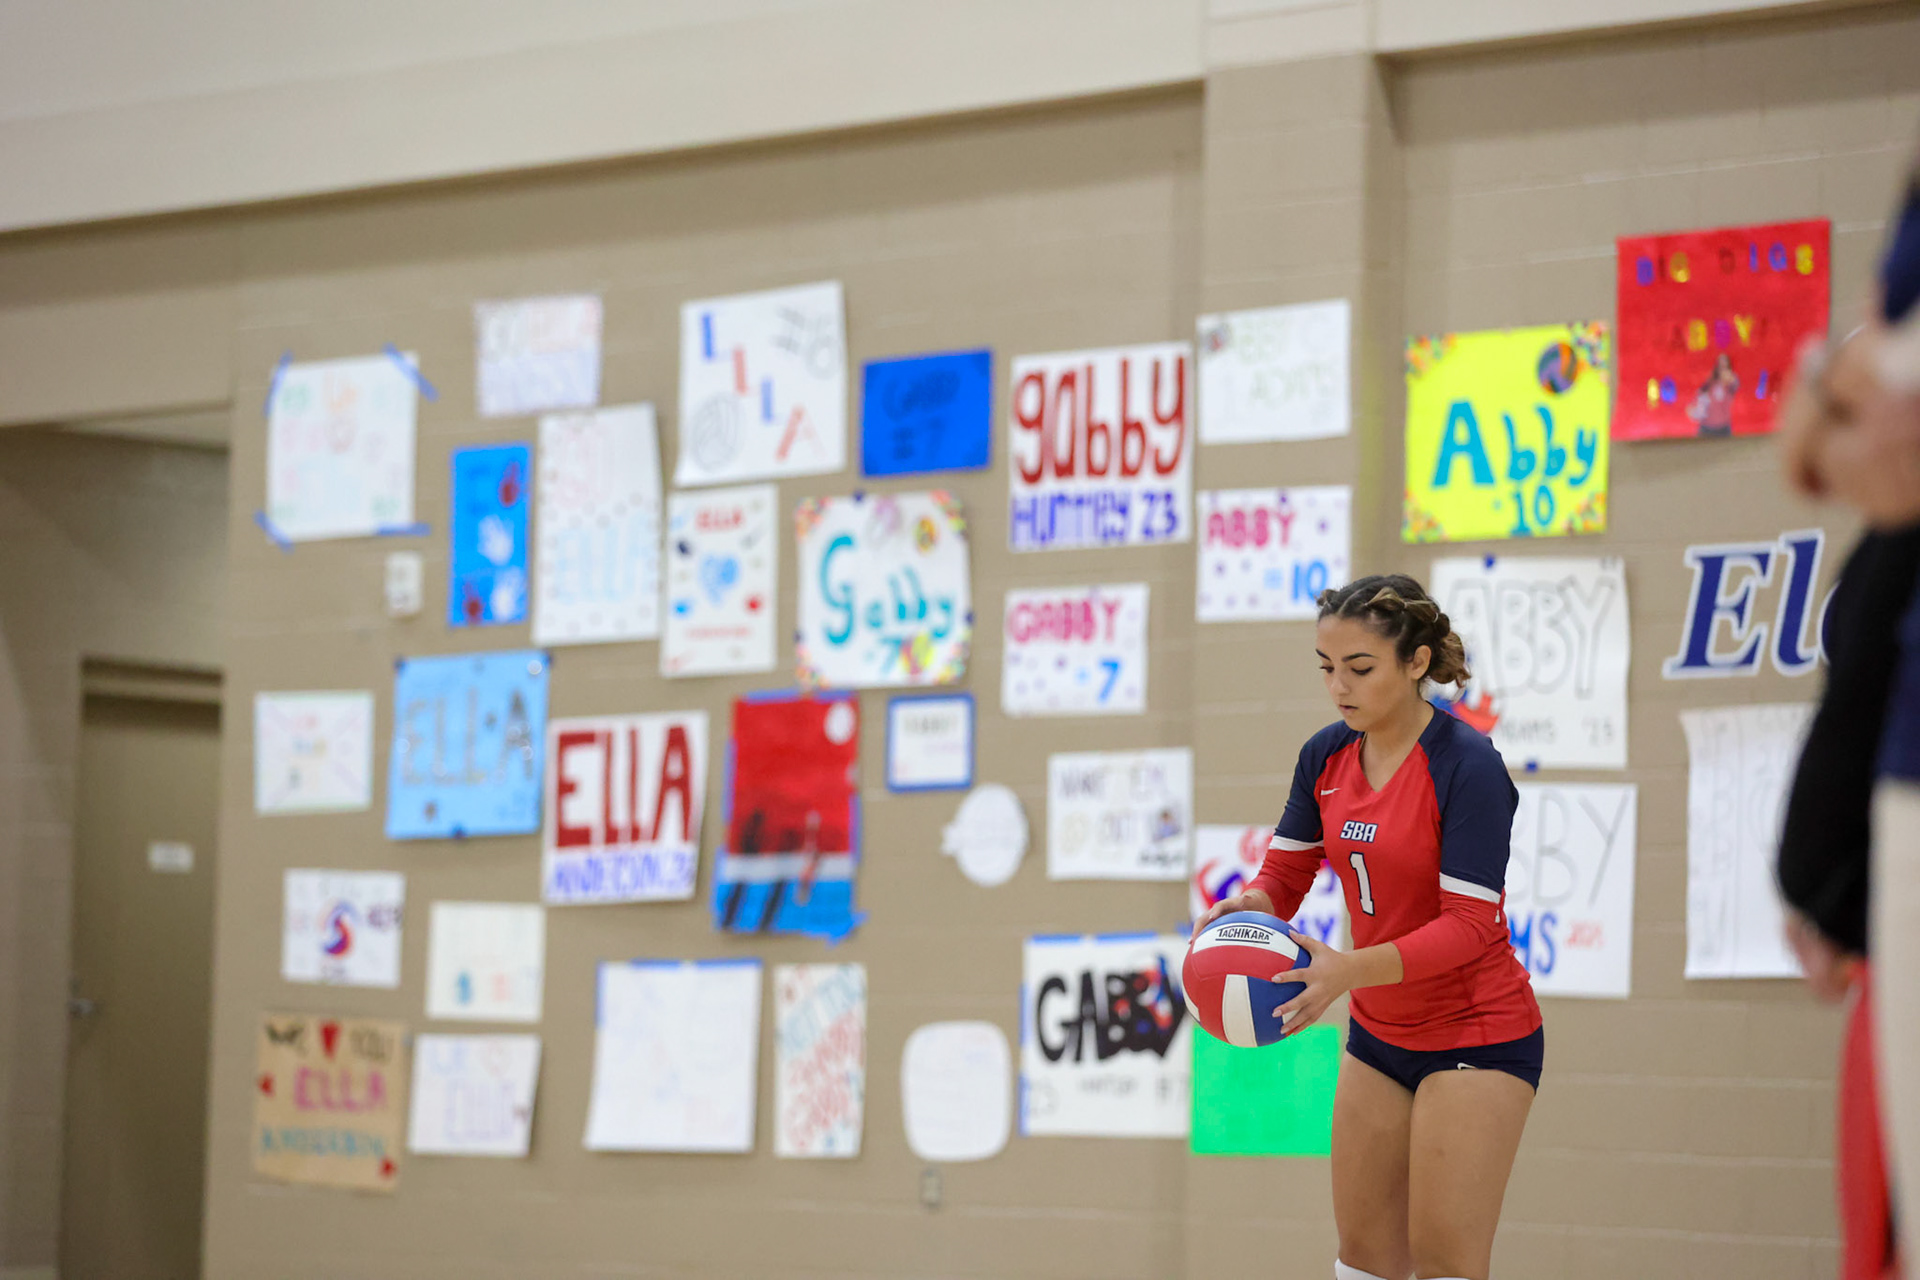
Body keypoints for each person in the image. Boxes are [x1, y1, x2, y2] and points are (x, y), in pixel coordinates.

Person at [1197, 574, 1539, 1280]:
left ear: (1416, 664)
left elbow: (1470, 927)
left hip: (1475, 1032)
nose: (1339, 688)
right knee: (1364, 1263)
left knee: (1446, 1263)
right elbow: (1286, 877)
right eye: (1327, 669)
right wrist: (1254, 906)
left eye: (1359, 669)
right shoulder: (1325, 754)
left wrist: (1347, 970)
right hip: (1381, 1035)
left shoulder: (1467, 767)